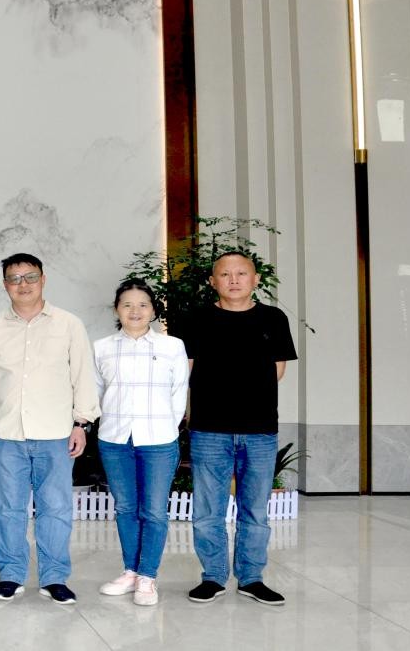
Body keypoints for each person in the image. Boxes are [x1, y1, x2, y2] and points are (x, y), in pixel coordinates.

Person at [0, 253, 100, 604]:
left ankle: (54, 577)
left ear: (43, 280)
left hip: (56, 433)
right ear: (5, 285)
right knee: (5, 509)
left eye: (30, 277)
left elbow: (82, 376)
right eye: (15, 278)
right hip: (5, 433)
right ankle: (10, 574)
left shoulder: (68, 324)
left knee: (55, 507)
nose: (23, 284)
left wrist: (81, 424)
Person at [183, 252, 297, 606]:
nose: (233, 280)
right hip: (209, 429)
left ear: (255, 279)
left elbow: (278, 369)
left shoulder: (273, 318)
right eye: (225, 274)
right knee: (208, 511)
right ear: (212, 281)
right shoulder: (197, 319)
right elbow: (186, 370)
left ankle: (251, 578)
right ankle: (213, 577)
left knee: (255, 511)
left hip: (259, 430)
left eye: (241, 273)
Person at [93, 279, 188, 606]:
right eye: (127, 305)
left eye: (143, 304)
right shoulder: (102, 347)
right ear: (117, 309)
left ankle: (148, 576)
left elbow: (179, 393)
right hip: (115, 439)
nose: (135, 311)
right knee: (125, 508)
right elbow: (96, 393)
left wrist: (166, 428)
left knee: (154, 511)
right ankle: (130, 571)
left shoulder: (172, 346)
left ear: (154, 310)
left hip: (159, 439)